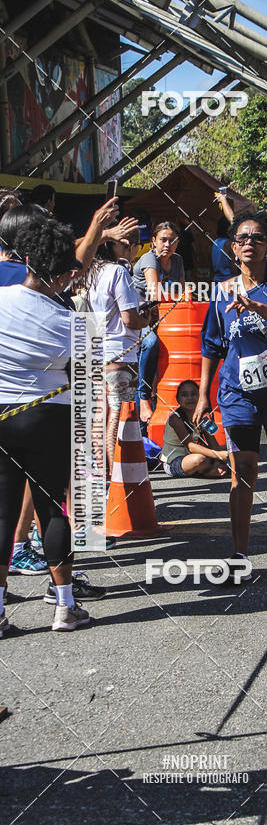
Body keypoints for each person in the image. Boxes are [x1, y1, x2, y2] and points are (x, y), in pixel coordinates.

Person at [194, 210, 267, 581]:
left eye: (257, 238)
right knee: (242, 470)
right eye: (242, 238)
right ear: (233, 247)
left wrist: (255, 305)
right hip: (236, 392)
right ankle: (239, 555)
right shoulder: (221, 291)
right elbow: (211, 347)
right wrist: (202, 396)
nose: (249, 243)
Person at [0, 217, 95, 634]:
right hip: (49, 418)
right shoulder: (73, 322)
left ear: (25, 259)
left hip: (2, 415)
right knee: (53, 507)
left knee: (2, 514)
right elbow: (86, 380)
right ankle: (65, 607)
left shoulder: (0, 299)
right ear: (67, 272)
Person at [86, 236, 150, 471]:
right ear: (110, 245)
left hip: (97, 350)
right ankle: (116, 474)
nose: (130, 246)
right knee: (118, 412)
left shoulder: (92, 270)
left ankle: (102, 470)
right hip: (120, 352)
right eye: (124, 243)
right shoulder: (118, 272)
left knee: (101, 413)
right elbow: (129, 318)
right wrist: (146, 319)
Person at [131, 222, 185, 428]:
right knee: (151, 342)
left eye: (172, 240)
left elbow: (181, 295)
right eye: (163, 239)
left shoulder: (178, 260)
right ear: (153, 241)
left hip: (163, 317)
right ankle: (143, 395)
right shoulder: (149, 258)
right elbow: (155, 294)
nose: (167, 244)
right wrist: (173, 290)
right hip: (138, 318)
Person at [161, 380, 229, 478]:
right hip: (174, 461)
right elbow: (191, 446)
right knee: (200, 459)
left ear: (200, 397)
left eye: (194, 394)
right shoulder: (175, 418)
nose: (190, 398)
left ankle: (214, 468)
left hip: (194, 456)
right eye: (184, 395)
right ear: (178, 400)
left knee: (231, 450)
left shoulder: (202, 418)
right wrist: (218, 455)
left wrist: (223, 454)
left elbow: (214, 445)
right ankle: (209, 470)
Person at [211, 215, 236, 283]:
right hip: (229, 280)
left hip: (217, 280)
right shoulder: (229, 244)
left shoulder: (215, 242)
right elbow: (234, 267)